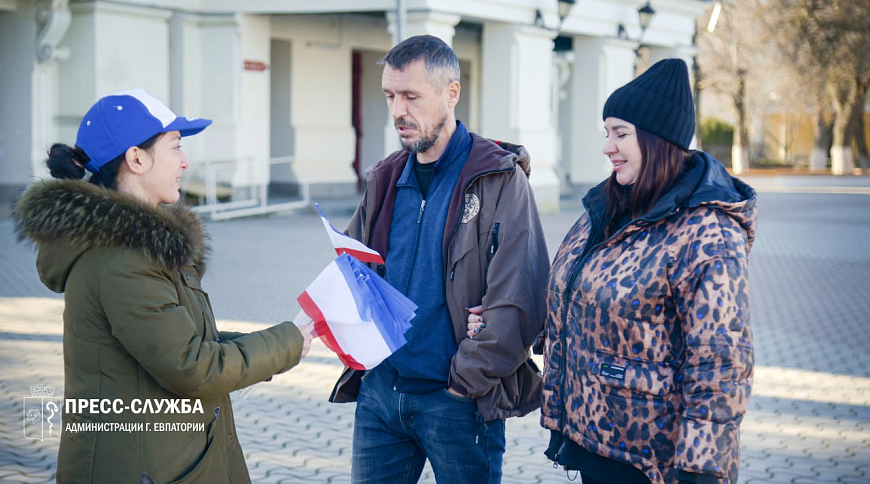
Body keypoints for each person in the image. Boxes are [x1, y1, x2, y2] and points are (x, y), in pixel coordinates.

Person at [469, 59, 756, 484]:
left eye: (621, 133)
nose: (607, 146)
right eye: (607, 133)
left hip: (653, 459)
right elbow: (572, 296)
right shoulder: (607, 208)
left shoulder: (706, 232)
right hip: (595, 437)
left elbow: (720, 363)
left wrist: (700, 469)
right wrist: (503, 322)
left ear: (658, 141)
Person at [13, 88, 314, 484]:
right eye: (175, 147)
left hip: (166, 457)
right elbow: (192, 368)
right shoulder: (122, 257)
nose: (186, 162)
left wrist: (286, 339)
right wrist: (285, 344)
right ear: (136, 159)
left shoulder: (137, 246)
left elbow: (180, 341)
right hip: (145, 466)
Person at [328, 35, 550, 484]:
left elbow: (520, 296)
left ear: (451, 93)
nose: (397, 111)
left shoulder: (499, 181)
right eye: (390, 95)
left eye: (411, 96)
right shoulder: (385, 177)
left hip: (457, 404)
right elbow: (351, 270)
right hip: (380, 397)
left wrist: (463, 382)